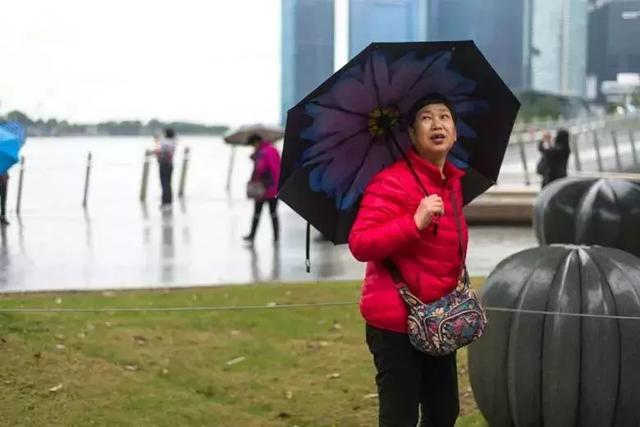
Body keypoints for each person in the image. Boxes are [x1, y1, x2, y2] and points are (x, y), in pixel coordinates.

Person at [348, 94, 467, 426]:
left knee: (444, 412)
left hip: (438, 320)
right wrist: (414, 222)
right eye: (426, 118)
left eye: (445, 116)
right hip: (395, 322)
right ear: (413, 135)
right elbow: (360, 244)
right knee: (399, 417)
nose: (437, 123)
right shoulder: (390, 182)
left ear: (455, 133)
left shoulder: (452, 185)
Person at [243, 134, 281, 243]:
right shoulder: (273, 150)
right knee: (273, 213)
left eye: (252, 145)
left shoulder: (262, 153)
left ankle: (252, 235)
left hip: (263, 188)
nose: (253, 147)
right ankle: (276, 237)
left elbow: (259, 170)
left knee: (257, 213)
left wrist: (255, 157)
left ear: (256, 142)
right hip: (275, 187)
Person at [153, 128, 177, 208]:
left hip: (163, 164)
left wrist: (157, 141)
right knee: (169, 183)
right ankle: (169, 202)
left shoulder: (164, 142)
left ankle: (164, 203)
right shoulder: (173, 141)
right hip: (170, 164)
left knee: (164, 183)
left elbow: (158, 150)